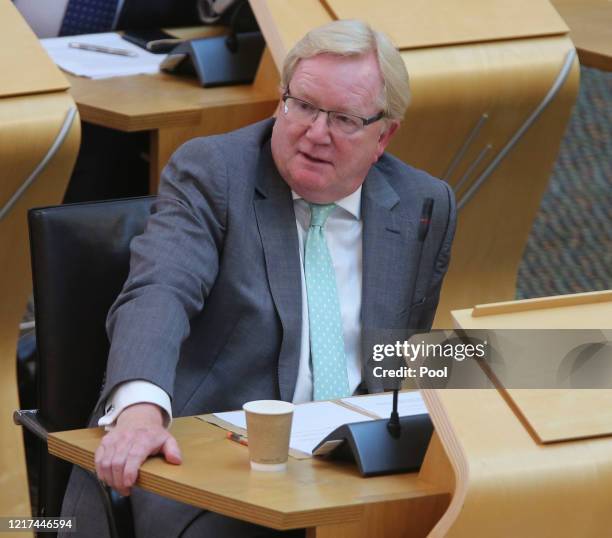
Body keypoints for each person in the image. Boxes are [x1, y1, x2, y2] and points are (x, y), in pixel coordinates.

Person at [60, 19, 456, 538]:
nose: (315, 133)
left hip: (354, 472)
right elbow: (160, 292)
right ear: (280, 99)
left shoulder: (424, 205)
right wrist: (139, 412)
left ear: (384, 135)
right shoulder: (213, 172)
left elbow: (403, 353)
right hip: (217, 470)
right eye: (304, 105)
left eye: (343, 119)